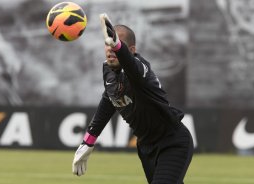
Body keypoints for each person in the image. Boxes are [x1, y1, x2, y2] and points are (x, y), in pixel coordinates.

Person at [72, 13, 194, 184]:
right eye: (106, 44)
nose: (109, 48)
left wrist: (117, 45)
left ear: (132, 51)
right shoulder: (108, 71)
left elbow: (130, 65)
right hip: (145, 147)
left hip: (172, 142)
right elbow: (108, 100)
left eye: (114, 43)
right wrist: (88, 141)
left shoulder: (140, 68)